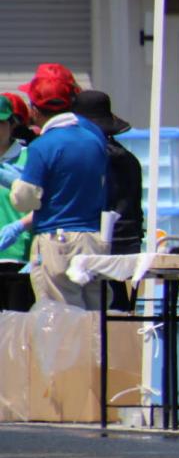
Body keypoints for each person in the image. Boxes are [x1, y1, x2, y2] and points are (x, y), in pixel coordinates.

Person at [3, 68, 109, 309]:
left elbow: (25, 201)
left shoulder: (43, 145)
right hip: (93, 239)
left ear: (35, 109)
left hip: (56, 241)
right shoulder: (94, 139)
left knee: (60, 318)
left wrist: (16, 183)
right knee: (96, 319)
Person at [73, 90, 144, 309]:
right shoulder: (129, 159)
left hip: (93, 248)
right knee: (116, 310)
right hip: (126, 247)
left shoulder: (87, 157)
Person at [0, 94, 36, 311]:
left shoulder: (30, 158)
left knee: (18, 335)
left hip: (19, 261)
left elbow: (46, 205)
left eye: (0, 123)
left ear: (12, 123)